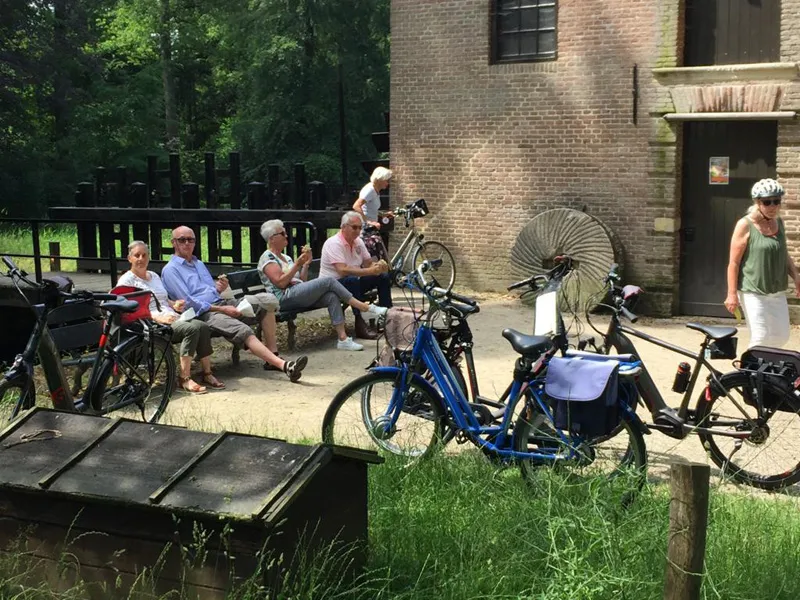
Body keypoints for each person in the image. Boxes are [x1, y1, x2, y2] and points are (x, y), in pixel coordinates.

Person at [161, 226, 308, 382]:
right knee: (242, 329)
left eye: (190, 240)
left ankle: (272, 355)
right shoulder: (171, 270)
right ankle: (285, 366)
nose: (187, 243)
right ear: (173, 243)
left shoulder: (198, 263)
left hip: (221, 302)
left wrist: (219, 288)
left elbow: (210, 291)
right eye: (182, 240)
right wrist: (222, 309)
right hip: (204, 314)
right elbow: (188, 302)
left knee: (265, 304)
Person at [258, 219, 389, 350]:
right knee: (329, 281)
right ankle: (365, 308)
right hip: (282, 298)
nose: (286, 235)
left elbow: (301, 281)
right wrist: (297, 265)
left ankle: (343, 339)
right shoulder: (267, 258)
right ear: (271, 239)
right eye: (282, 233)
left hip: (296, 293)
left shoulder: (286, 258)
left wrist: (305, 264)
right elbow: (280, 283)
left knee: (331, 296)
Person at [117, 240, 221, 394]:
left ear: (148, 257)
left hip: (171, 316)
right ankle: (184, 378)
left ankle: (207, 373)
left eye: (144, 255)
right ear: (129, 258)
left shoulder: (153, 276)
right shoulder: (127, 281)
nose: (141, 259)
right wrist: (157, 318)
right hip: (151, 323)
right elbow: (128, 309)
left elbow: (163, 300)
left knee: (203, 326)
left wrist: (174, 304)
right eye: (136, 255)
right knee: (191, 329)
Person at [725, 178, 800, 348]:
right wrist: (731, 294)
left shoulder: (779, 223)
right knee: (760, 337)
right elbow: (734, 263)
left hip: (777, 290)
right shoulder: (745, 225)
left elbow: (783, 254)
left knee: (781, 336)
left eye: (776, 201)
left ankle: (769, 370)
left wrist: (796, 276)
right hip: (753, 291)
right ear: (757, 202)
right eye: (767, 202)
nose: (773, 207)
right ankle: (750, 373)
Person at [319, 211, 393, 340]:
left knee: (383, 277)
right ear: (343, 227)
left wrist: (378, 267)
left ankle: (386, 316)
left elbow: (368, 263)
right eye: (354, 227)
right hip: (333, 285)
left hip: (353, 283)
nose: (358, 231)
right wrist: (370, 271)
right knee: (352, 280)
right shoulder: (334, 243)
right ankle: (359, 322)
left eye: (360, 227)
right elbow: (342, 270)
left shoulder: (358, 241)